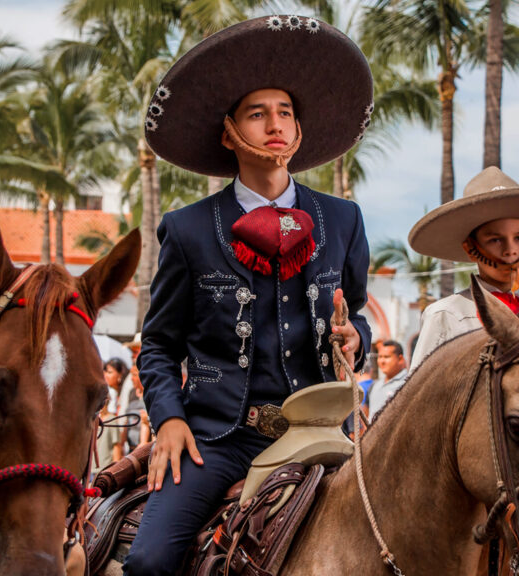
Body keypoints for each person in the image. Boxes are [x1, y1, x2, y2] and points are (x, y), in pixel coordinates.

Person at [127, 15, 373, 575]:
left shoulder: (342, 219)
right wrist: (168, 419)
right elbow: (158, 346)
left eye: (285, 112)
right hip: (216, 438)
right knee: (147, 560)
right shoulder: (187, 229)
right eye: (257, 114)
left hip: (321, 431)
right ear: (229, 132)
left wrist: (356, 336)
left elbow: (356, 316)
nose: (275, 124)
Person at [407, 167, 519, 372]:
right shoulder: (446, 315)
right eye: (495, 240)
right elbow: (419, 392)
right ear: (470, 248)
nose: (510, 251)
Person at [367, 340, 408, 418]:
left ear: (400, 359)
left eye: (386, 357)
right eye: (380, 357)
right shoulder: (375, 385)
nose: (382, 361)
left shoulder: (407, 382)